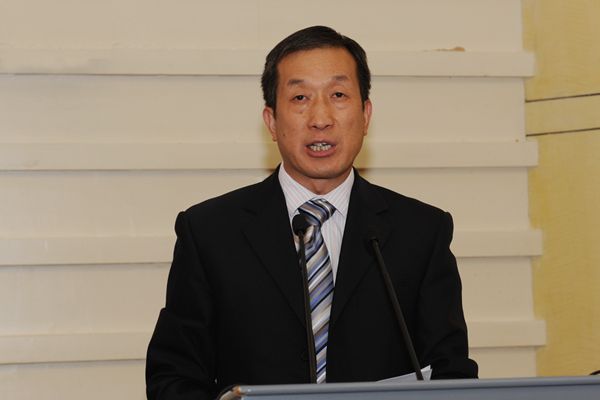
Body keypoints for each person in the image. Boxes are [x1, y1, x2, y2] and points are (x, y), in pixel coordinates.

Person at [146, 25, 478, 400]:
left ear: (366, 115)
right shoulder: (210, 232)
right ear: (271, 121)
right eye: (300, 97)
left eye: (338, 95)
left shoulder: (421, 232)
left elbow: (451, 374)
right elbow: (172, 377)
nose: (321, 117)